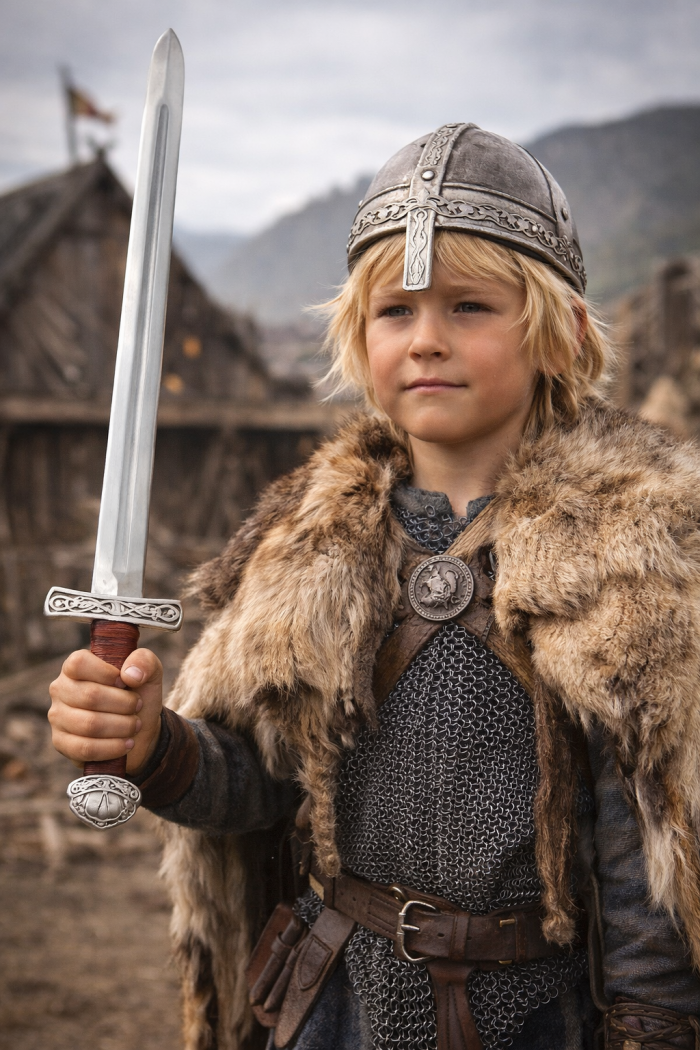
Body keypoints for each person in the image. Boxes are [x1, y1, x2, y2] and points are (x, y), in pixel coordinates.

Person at [48, 123, 700, 1050]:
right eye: (396, 312)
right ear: (358, 335)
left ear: (560, 332)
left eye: (470, 307)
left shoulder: (622, 553)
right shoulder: (313, 544)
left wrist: (653, 1029)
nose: (426, 340)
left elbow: (650, 849)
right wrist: (155, 745)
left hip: (541, 1018)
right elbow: (262, 787)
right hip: (335, 1006)